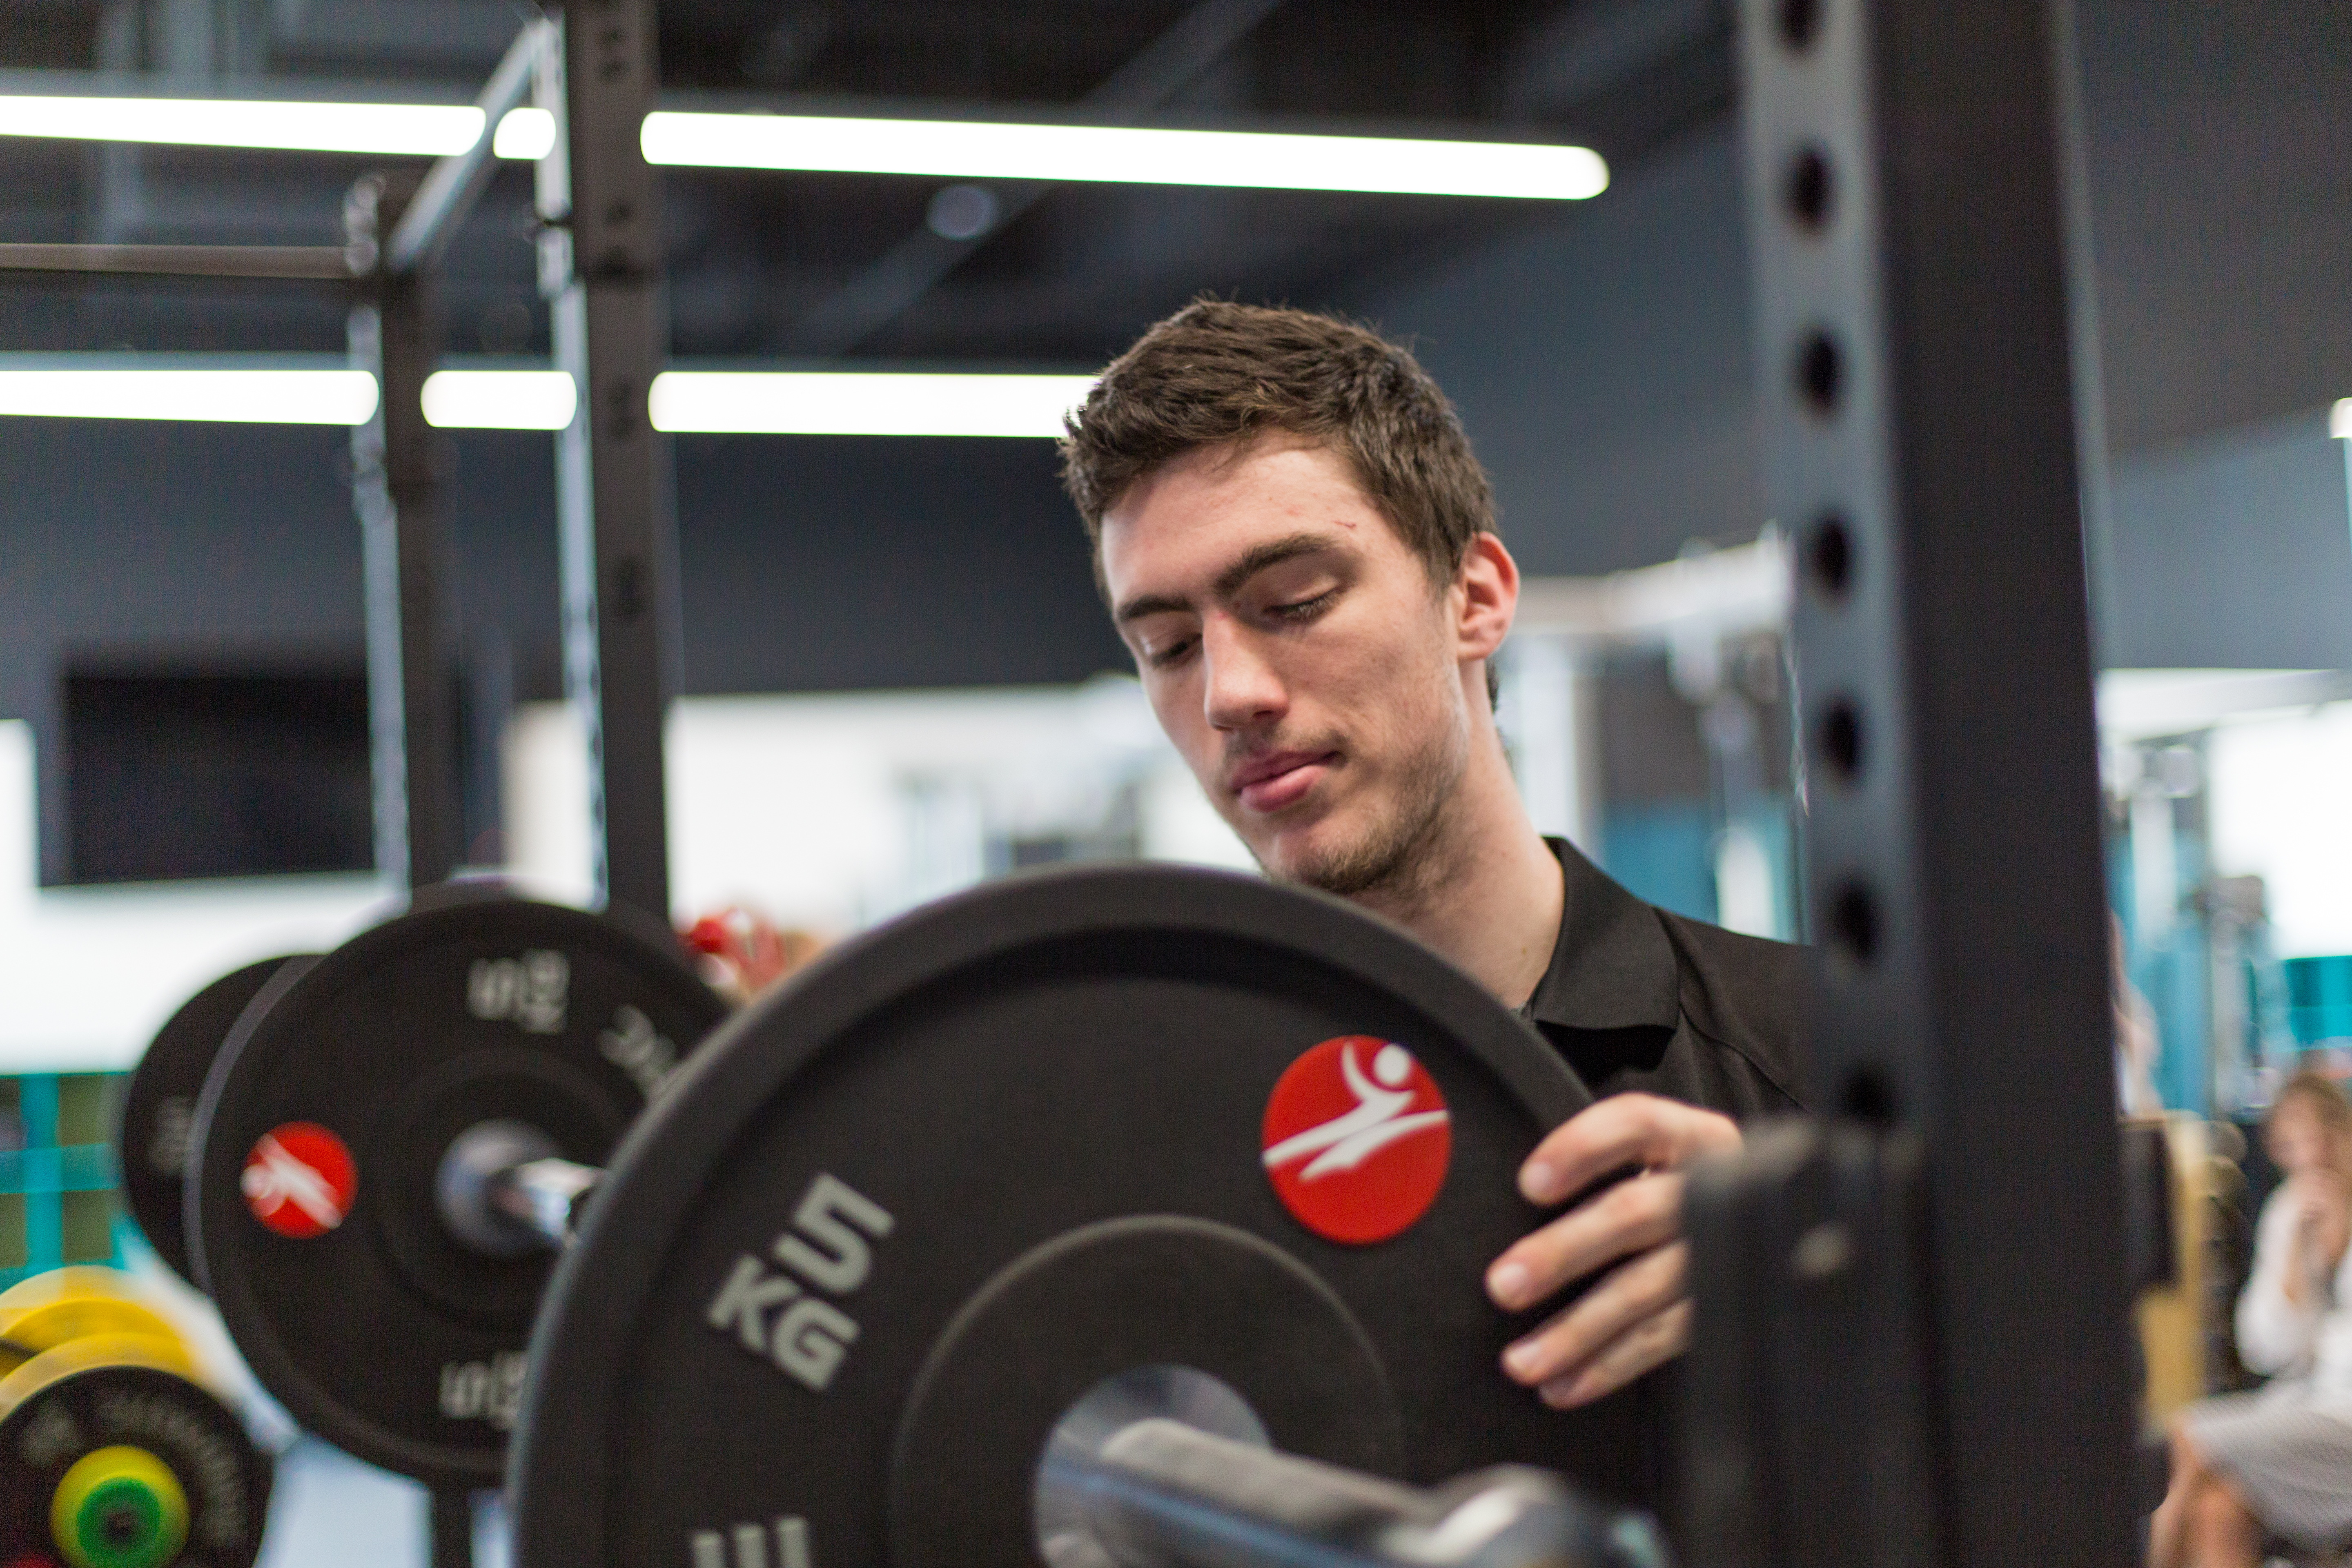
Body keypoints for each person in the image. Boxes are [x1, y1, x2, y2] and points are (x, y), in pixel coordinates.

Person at [1058, 300, 1805, 1501]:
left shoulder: (1814, 1069)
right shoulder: (1143, 1135)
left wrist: (1817, 1304)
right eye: (1168, 645)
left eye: (1293, 600)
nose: (1231, 691)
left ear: (1476, 595)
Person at [2152, 1070, 2352, 1568]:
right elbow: (2264, 1348)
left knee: (2189, 1438)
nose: (2312, 1157)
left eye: (2321, 1137)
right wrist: (2298, 1263)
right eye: (2293, 1145)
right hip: (2307, 1409)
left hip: (2343, 1419)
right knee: (2219, 1508)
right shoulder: (2289, 1214)